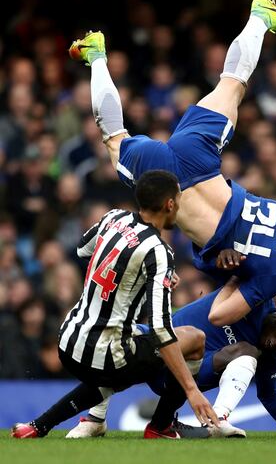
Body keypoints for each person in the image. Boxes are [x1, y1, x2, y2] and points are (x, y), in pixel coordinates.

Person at [69, 0, 276, 325]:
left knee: (232, 84)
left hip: (200, 160)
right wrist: (245, 284)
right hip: (170, 190)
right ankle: (96, 55)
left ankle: (259, 19)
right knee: (114, 136)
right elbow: (218, 316)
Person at [11, 170, 218, 439]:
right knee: (194, 338)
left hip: (69, 341)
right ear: (170, 204)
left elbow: (83, 250)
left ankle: (39, 426)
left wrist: (141, 274)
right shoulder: (158, 251)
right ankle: (161, 426)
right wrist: (192, 390)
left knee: (119, 365)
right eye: (178, 199)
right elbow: (160, 328)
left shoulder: (113, 217)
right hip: (106, 355)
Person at [66, 276, 276, 439]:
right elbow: (236, 268)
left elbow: (269, 395)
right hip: (161, 346)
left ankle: (217, 420)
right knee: (119, 335)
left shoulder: (271, 354)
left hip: (182, 378)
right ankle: (95, 420)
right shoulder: (251, 300)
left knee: (247, 354)